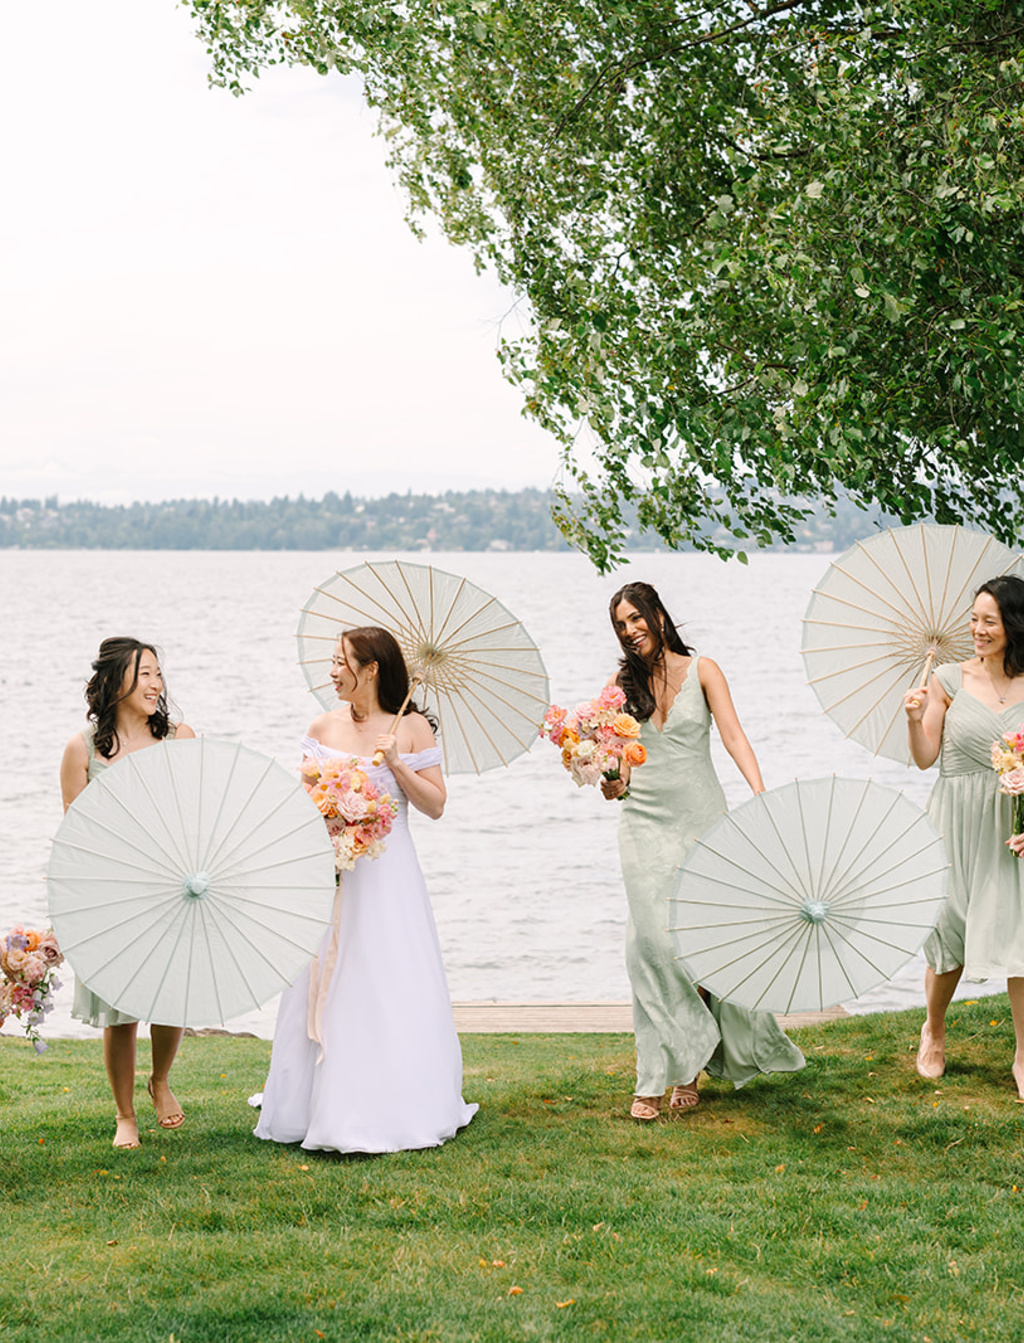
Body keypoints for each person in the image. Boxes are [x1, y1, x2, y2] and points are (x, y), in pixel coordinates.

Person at [254, 626, 477, 1154]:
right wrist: (330, 814)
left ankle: (387, 1102)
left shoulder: (412, 728)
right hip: (329, 874)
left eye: (341, 662)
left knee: (382, 976)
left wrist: (397, 764)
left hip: (386, 876)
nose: (332, 671)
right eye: (332, 661)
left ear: (371, 669)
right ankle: (310, 1102)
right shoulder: (322, 726)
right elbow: (301, 804)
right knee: (322, 980)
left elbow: (436, 805)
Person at [601, 582, 805, 1120]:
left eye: (636, 618)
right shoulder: (618, 686)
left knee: (699, 945)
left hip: (701, 820)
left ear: (658, 616)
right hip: (642, 823)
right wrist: (610, 783)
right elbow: (619, 766)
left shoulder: (705, 670)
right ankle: (655, 1073)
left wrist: (759, 793)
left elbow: (734, 736)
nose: (630, 630)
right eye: (621, 624)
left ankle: (685, 1071)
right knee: (648, 948)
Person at [60, 637, 195, 1149]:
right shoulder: (83, 749)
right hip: (113, 893)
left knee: (172, 993)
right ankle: (125, 1116)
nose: (156, 684)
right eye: (145, 675)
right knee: (120, 1009)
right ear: (115, 682)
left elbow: (197, 815)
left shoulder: (180, 738)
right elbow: (74, 832)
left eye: (159, 674)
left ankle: (160, 1080)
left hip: (172, 887)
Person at [905, 575, 1024, 1098]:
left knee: (1018, 933)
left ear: (1014, 626)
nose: (976, 629)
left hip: (1011, 826)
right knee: (948, 929)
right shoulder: (947, 679)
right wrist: (913, 719)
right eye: (973, 618)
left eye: (988, 621)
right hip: (954, 817)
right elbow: (925, 755)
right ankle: (934, 1028)